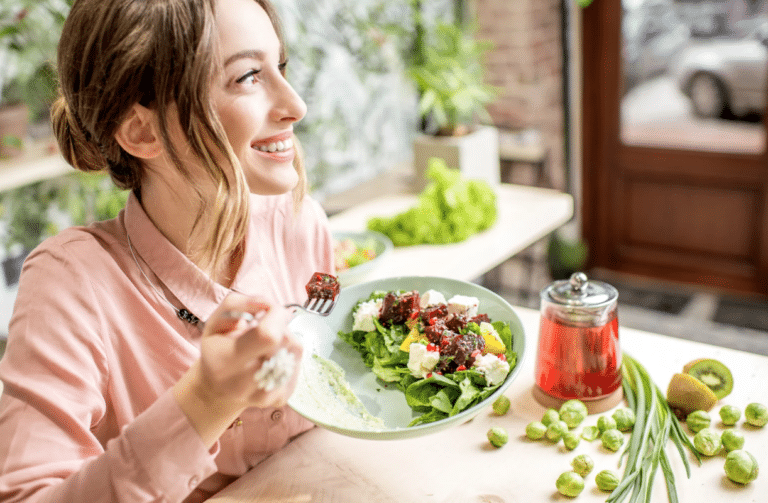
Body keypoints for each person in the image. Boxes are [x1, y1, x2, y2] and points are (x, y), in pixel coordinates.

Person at [0, 0, 334, 501]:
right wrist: (204, 402)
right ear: (142, 130)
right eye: (247, 77)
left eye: (279, 67)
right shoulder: (70, 284)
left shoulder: (299, 222)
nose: (295, 104)